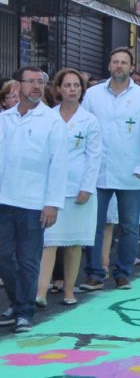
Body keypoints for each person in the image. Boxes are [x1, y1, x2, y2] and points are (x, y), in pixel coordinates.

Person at [79, 48, 140, 292]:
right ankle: (94, 273)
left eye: (124, 62)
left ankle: (123, 272)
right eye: (115, 62)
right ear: (109, 65)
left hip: (130, 170)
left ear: (131, 67)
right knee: (95, 224)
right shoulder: (92, 94)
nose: (119, 66)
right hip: (98, 169)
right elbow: (85, 129)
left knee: (130, 226)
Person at [0, 66, 67, 333]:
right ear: (18, 86)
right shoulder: (5, 119)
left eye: (41, 82)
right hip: (4, 200)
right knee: (4, 256)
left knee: (28, 258)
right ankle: (18, 302)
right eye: (31, 82)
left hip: (34, 202)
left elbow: (59, 165)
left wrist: (52, 203)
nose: (36, 86)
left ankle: (24, 311)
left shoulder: (52, 122)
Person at [36, 69, 102, 308]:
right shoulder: (47, 117)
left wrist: (86, 187)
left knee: (75, 243)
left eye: (76, 85)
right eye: (67, 85)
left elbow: (94, 157)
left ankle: (69, 291)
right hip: (53, 189)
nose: (72, 89)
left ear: (81, 90)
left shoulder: (90, 120)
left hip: (79, 190)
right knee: (49, 241)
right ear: (58, 89)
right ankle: (41, 292)